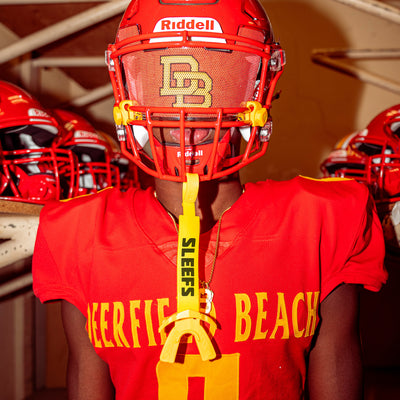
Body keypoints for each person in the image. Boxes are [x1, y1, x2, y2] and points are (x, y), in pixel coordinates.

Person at [32, 1, 387, 399]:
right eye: (162, 75)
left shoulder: (324, 220)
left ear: (259, 86)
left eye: (219, 76)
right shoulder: (80, 232)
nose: (190, 107)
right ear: (128, 84)